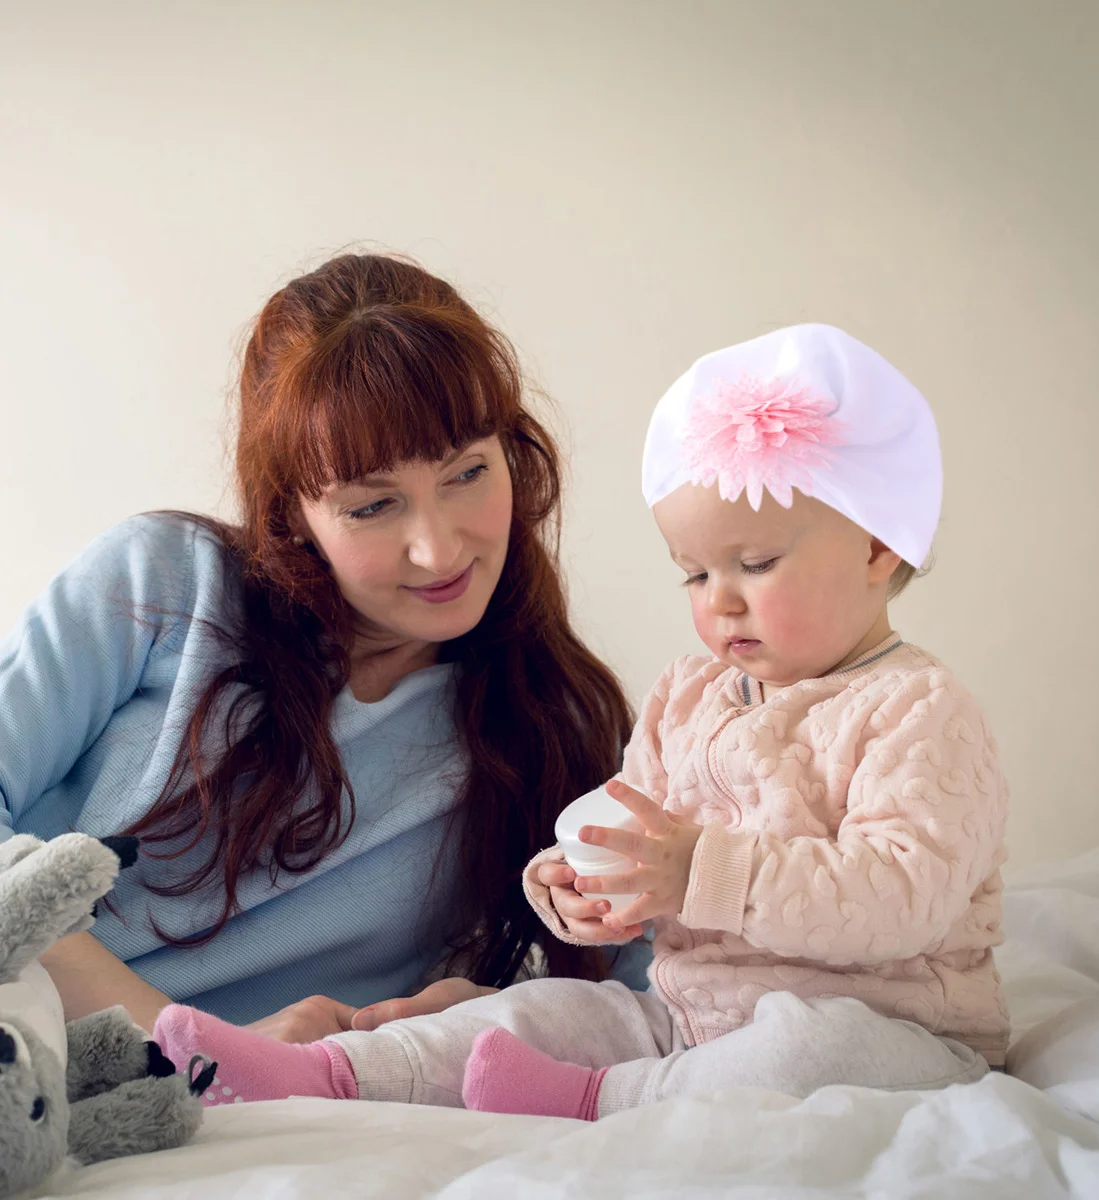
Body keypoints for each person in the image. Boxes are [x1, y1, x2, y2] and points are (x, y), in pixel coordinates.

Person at [152, 323, 1010, 1116]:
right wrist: (583, 889)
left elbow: (903, 899)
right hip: (693, 1014)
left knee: (803, 1051)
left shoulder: (916, 711)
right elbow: (629, 835)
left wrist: (702, 874)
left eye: (753, 564)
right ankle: (328, 1074)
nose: (721, 602)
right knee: (544, 1010)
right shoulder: (690, 696)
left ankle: (591, 1103)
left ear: (875, 546)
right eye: (695, 575)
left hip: (890, 1033)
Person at [0, 253, 635, 1038]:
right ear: (294, 513)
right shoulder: (164, 582)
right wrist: (187, 1045)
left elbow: (667, 995)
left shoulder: (554, 730)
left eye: (468, 472)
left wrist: (487, 1017)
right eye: (372, 507)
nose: (439, 550)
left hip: (230, 1123)